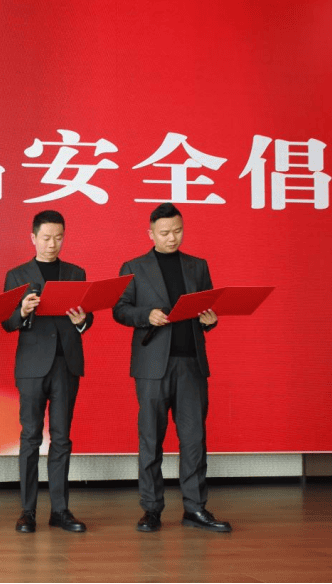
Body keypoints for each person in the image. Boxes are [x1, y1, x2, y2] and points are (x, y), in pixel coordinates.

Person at [112, 202, 231, 533]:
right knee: (151, 438)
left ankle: (195, 508)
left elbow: (207, 309)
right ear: (150, 233)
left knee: (194, 439)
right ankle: (151, 509)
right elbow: (119, 309)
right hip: (152, 365)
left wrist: (210, 320)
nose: (172, 238)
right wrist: (145, 315)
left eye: (177, 231)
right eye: (164, 232)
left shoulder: (197, 266)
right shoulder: (134, 267)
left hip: (191, 363)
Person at [2, 210, 93, 534]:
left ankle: (60, 510)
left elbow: (88, 317)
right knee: (30, 437)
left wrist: (81, 320)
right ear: (33, 238)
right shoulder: (17, 275)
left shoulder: (76, 273)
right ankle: (27, 511)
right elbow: (6, 322)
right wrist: (22, 311)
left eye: (58, 237)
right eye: (46, 238)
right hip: (32, 367)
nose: (52, 244)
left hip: (66, 364)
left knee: (62, 437)